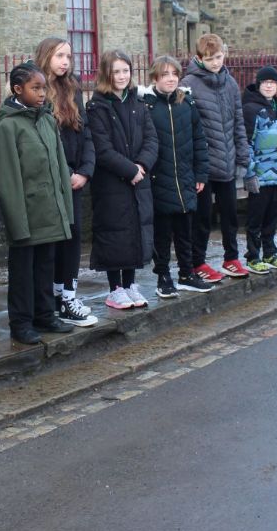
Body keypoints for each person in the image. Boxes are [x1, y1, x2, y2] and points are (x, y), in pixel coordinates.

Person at [0, 62, 74, 344]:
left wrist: (66, 207)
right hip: (27, 213)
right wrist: (17, 222)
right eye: (35, 88)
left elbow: (60, 166)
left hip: (50, 210)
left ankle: (45, 314)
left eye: (44, 88)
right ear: (18, 89)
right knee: (23, 272)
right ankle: (21, 322)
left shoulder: (47, 120)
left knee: (45, 267)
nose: (42, 93)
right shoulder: (8, 126)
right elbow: (8, 179)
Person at [86, 49, 157, 310]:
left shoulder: (139, 104)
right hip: (112, 182)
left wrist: (142, 165)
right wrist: (130, 170)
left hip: (138, 179)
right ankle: (115, 288)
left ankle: (130, 284)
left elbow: (152, 139)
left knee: (134, 232)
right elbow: (102, 148)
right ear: (107, 73)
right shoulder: (97, 106)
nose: (121, 76)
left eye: (125, 70)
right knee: (114, 233)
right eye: (116, 71)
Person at [34, 37, 98, 326]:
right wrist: (65, 173)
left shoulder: (73, 87)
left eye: (68, 56)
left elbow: (84, 132)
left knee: (73, 238)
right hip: (52, 180)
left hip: (74, 178)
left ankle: (68, 295)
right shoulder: (36, 90)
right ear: (46, 56)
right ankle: (51, 299)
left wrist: (85, 171)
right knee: (54, 242)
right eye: (60, 55)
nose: (65, 61)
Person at [141, 56, 212, 298]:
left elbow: (199, 140)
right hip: (159, 179)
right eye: (165, 74)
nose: (170, 78)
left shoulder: (187, 103)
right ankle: (163, 275)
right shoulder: (147, 107)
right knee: (162, 234)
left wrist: (201, 172)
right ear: (155, 78)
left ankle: (186, 273)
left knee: (185, 231)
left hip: (185, 177)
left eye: (174, 74)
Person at [183, 34, 250, 281]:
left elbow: (238, 121)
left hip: (228, 160)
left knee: (230, 214)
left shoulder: (230, 83)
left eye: (219, 57)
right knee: (202, 217)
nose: (215, 63)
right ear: (199, 58)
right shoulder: (188, 83)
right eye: (210, 59)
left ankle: (231, 258)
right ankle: (197, 262)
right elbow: (185, 126)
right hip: (202, 163)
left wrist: (243, 154)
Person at [241, 66, 277, 274]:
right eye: (265, 82)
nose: (269, 85)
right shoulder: (251, 109)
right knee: (256, 216)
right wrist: (250, 173)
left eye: (273, 82)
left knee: (273, 215)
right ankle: (253, 256)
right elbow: (246, 143)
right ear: (259, 84)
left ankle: (270, 252)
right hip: (260, 174)